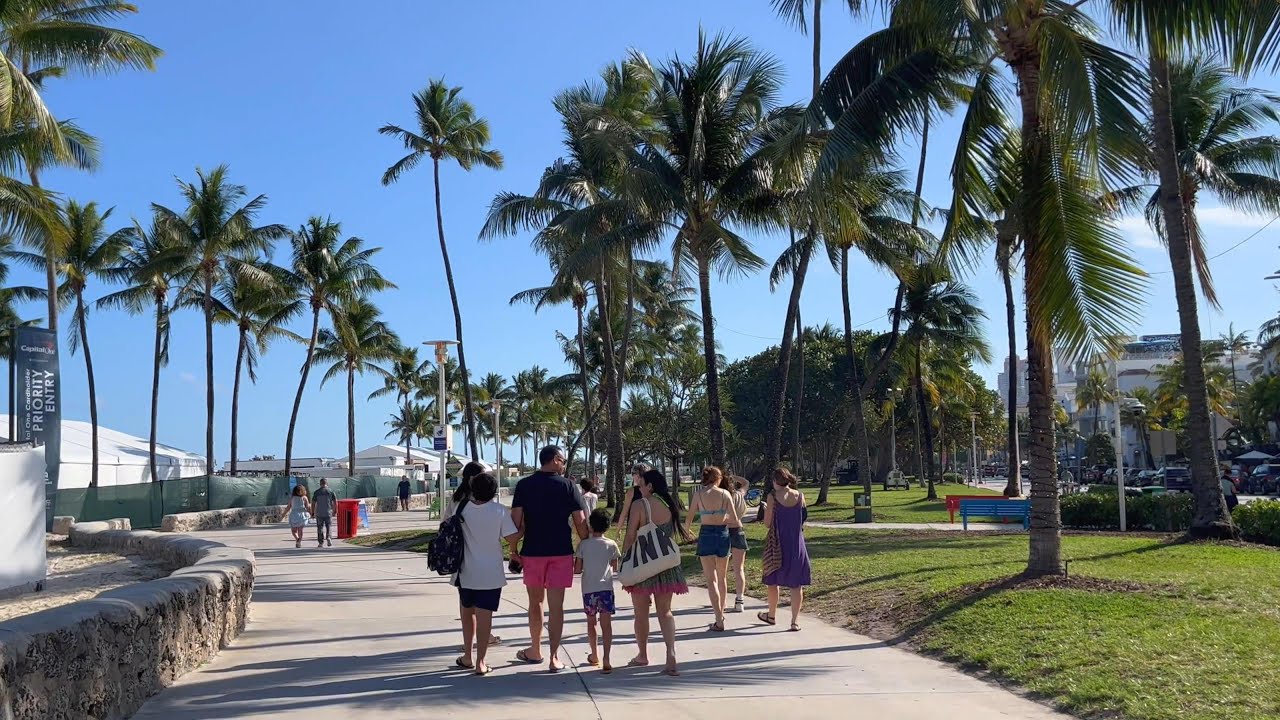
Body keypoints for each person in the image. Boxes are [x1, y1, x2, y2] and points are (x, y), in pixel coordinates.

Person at [511, 445, 588, 672]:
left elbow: (516, 523)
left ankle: (535, 649)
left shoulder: (524, 485)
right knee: (557, 607)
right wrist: (584, 541)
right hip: (561, 551)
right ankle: (554, 657)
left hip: (533, 552)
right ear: (555, 460)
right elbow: (581, 523)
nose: (563, 465)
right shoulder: (568, 486)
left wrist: (514, 550)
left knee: (535, 603)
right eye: (562, 460)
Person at [622, 469, 690, 677]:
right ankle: (671, 654)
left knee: (640, 613)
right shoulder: (669, 505)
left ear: (649, 486)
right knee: (665, 611)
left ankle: (642, 655)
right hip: (666, 566)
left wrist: (624, 558)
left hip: (643, 566)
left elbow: (631, 534)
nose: (639, 488)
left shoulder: (639, 505)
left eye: (641, 484)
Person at [453, 472, 521, 676]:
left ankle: (467, 655)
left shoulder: (461, 508)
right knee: (485, 617)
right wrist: (524, 527)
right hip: (491, 572)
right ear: (494, 491)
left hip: (465, 571)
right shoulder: (499, 511)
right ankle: (481, 662)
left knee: (467, 614)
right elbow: (511, 538)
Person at [685, 466, 739, 631]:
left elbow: (688, 519)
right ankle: (721, 614)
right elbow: (735, 520)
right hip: (722, 533)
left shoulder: (699, 494)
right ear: (717, 478)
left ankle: (718, 618)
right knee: (722, 578)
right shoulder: (725, 494)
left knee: (711, 580)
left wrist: (688, 531)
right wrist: (723, 517)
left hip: (706, 533)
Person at [759, 468, 811, 632]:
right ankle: (794, 621)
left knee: (772, 580)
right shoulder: (800, 496)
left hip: (778, 543)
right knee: (796, 585)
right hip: (797, 544)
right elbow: (802, 518)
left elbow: (767, 523)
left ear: (775, 481)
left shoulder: (773, 497)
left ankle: (772, 615)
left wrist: (769, 509)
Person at [575, 508, 619, 673]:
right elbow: (615, 567)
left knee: (591, 623)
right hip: (606, 588)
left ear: (590, 526)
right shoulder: (611, 545)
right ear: (607, 527)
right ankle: (607, 657)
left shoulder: (583, 545)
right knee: (606, 625)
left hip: (589, 589)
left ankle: (595, 654)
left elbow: (577, 569)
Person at [727, 475, 750, 613]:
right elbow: (746, 482)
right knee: (739, 568)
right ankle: (739, 599)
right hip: (738, 530)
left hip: (724, 530)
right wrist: (733, 476)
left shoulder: (722, 497)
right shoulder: (739, 495)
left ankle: (721, 598)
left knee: (720, 569)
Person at [614, 463, 648, 530]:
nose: (632, 476)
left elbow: (624, 512)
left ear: (637, 474)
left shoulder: (632, 491)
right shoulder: (652, 490)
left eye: (633, 474)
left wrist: (618, 529)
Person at [312, 478, 337, 548]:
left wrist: (312, 512)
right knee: (328, 526)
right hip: (328, 512)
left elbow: (313, 503)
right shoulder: (331, 491)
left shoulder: (316, 492)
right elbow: (335, 502)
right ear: (327, 483)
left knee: (320, 527)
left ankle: (320, 542)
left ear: (320, 484)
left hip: (319, 513)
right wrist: (335, 510)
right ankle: (328, 538)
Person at [287, 483, 311, 549]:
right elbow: (308, 506)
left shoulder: (292, 498)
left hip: (294, 514)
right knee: (300, 529)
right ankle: (299, 541)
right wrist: (311, 513)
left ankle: (297, 538)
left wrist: (283, 514)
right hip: (302, 515)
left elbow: (288, 506)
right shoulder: (304, 497)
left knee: (294, 530)